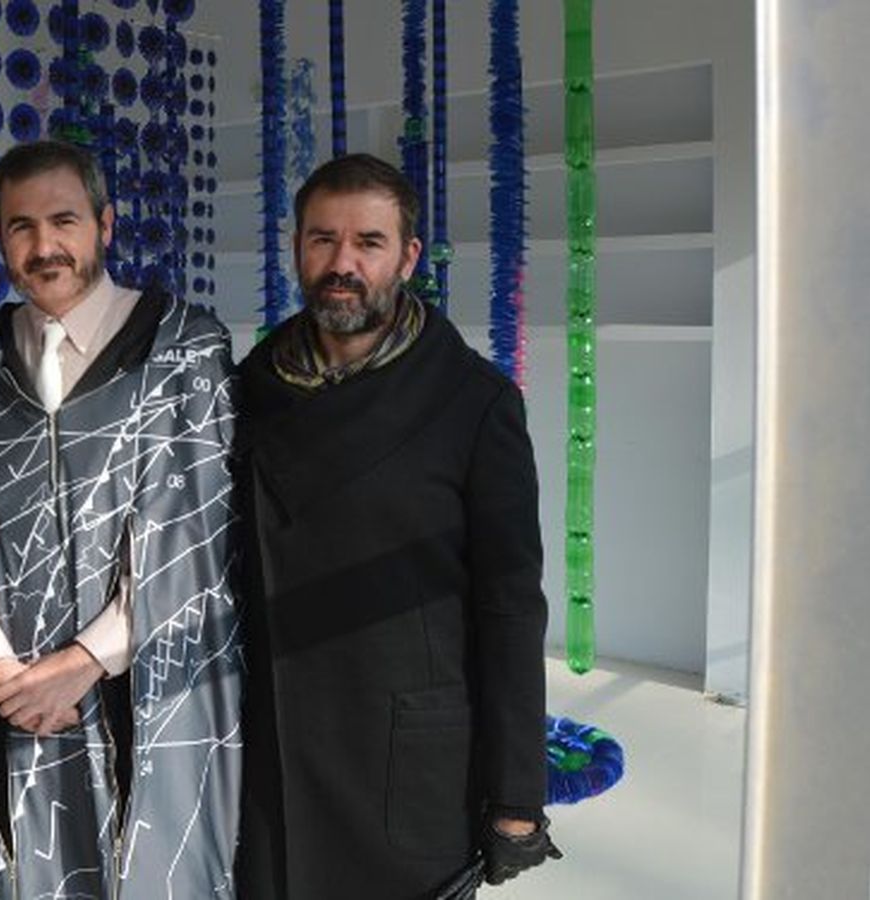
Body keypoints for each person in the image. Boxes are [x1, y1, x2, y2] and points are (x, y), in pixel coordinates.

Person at [234, 153, 562, 898]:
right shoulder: (250, 387)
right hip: (272, 755)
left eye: (369, 243)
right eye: (323, 239)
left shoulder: (474, 402)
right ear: (296, 247)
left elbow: (511, 607)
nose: (342, 264)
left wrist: (517, 796)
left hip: (406, 760)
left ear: (408, 257)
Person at [0, 139, 243, 897]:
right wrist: (1, 670)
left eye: (64, 221)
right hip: (15, 714)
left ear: (105, 223)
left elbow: (197, 538)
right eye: (21, 226)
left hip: (146, 699)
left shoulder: (183, 351)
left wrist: (81, 664)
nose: (44, 246)